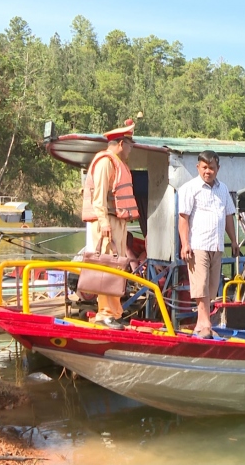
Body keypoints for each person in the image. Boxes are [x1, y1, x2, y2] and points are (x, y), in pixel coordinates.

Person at [81, 119, 139, 330]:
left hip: (118, 221)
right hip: (106, 221)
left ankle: (114, 312)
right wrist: (104, 222)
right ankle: (105, 313)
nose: (132, 149)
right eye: (131, 144)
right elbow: (99, 197)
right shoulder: (106, 161)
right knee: (106, 266)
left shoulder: (117, 162)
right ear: (122, 143)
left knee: (116, 267)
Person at [178, 150, 240, 339]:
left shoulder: (223, 189)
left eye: (211, 168)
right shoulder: (190, 188)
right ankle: (205, 324)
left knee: (212, 288)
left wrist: (234, 241)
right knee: (201, 285)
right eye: (204, 167)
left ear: (217, 169)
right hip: (198, 244)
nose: (208, 171)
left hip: (217, 244)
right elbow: (183, 218)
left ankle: (200, 324)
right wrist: (185, 244)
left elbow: (228, 216)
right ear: (198, 167)